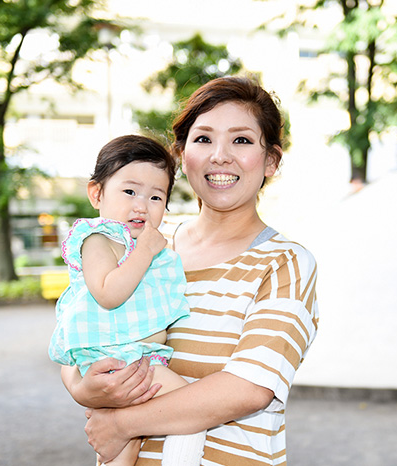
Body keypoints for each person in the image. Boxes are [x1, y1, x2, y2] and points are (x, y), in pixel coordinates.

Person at [62, 76, 319, 465]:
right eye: (203, 139)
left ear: (271, 160)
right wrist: (81, 388)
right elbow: (78, 323)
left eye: (242, 140)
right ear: (182, 156)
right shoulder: (145, 246)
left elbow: (249, 389)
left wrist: (121, 425)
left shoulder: (283, 262)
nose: (220, 155)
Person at [49, 134, 206, 466]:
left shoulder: (143, 249)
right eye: (130, 191)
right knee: (191, 413)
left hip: (134, 359)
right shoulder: (99, 239)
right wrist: (147, 251)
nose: (141, 205)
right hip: (123, 358)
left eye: (155, 197)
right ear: (97, 193)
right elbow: (107, 293)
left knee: (123, 448)